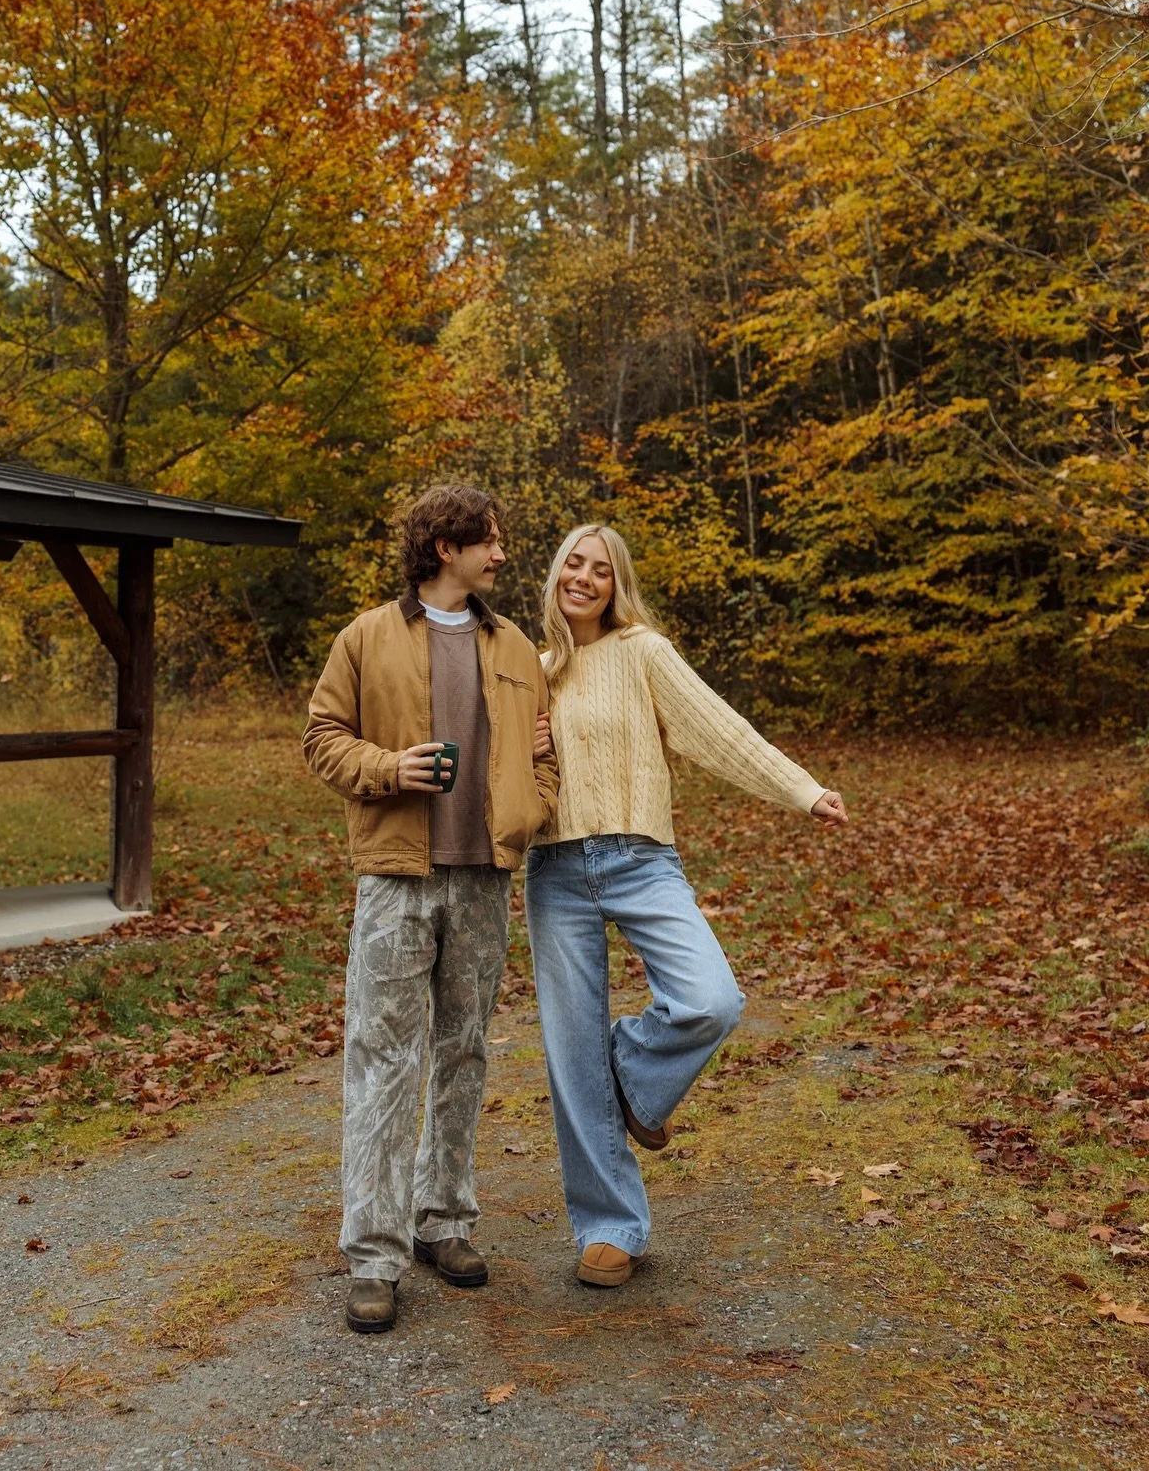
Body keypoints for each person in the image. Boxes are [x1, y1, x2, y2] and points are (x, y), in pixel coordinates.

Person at [526, 524, 847, 1289]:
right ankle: (612, 1228)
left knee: (711, 999)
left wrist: (801, 788)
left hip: (641, 858)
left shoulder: (644, 651)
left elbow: (717, 729)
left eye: (601, 569)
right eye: (574, 562)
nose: (585, 577)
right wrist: (524, 745)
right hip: (556, 867)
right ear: (555, 573)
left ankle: (631, 1077)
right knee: (568, 1052)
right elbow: (492, 764)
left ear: (617, 584)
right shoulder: (528, 670)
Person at [303, 484, 558, 1334]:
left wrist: (532, 804)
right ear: (445, 546)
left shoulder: (517, 645)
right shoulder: (366, 636)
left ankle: (443, 1221)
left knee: (465, 1050)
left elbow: (543, 750)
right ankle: (373, 1256)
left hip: (484, 877)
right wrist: (389, 768)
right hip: (395, 879)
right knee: (382, 1060)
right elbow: (321, 738)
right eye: (489, 539)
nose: (500, 553)